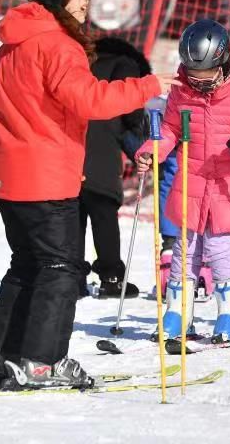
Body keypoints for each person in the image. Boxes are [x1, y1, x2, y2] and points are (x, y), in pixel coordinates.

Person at [0, 0, 178, 388]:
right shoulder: (56, 43)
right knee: (59, 268)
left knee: (27, 264)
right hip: (44, 176)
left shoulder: (14, 42)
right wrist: (148, 86)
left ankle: (5, 357)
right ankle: (43, 362)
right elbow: (90, 100)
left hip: (11, 174)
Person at [136, 19, 230, 342]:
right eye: (193, 79)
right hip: (194, 176)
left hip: (229, 179)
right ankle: (177, 312)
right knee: (185, 245)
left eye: (206, 79)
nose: (199, 85)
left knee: (218, 245)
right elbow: (169, 130)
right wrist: (151, 151)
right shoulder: (182, 90)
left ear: (223, 62)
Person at [78, 37, 152, 299]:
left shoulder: (82, 61)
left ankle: (72, 277)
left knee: (73, 216)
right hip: (102, 147)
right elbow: (131, 110)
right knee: (104, 214)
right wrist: (138, 135)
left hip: (71, 145)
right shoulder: (126, 65)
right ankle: (112, 277)